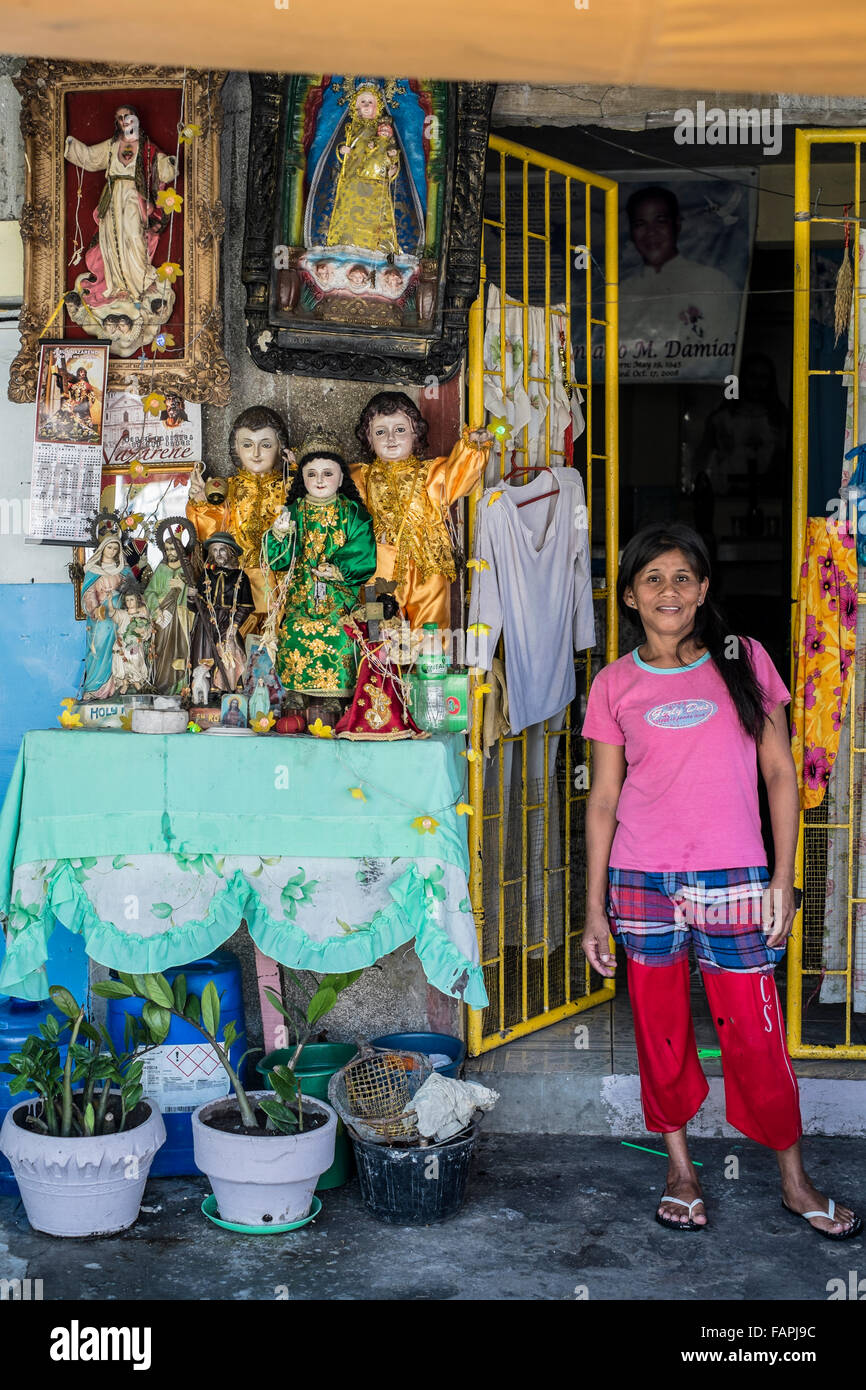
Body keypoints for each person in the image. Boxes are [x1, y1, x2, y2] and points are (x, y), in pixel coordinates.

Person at [581, 521, 862, 1239]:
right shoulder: (615, 683)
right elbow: (605, 799)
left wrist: (782, 878)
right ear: (631, 598)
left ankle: (795, 1181)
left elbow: (779, 773)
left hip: (734, 876)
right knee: (661, 1030)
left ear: (703, 589)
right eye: (653, 580)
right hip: (641, 879)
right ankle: (681, 1169)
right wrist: (593, 910)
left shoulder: (746, 660)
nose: (668, 591)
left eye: (682, 578)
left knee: (757, 1033)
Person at [350, 390, 493, 628]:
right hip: (379, 566)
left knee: (432, 630)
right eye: (380, 432)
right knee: (375, 627)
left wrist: (473, 448)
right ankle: (376, 663)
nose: (390, 438)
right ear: (369, 438)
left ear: (416, 433)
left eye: (400, 429)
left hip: (428, 566)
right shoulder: (360, 477)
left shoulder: (431, 473)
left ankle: (431, 662)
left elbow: (460, 476)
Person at [262, 430, 377, 722]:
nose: (320, 480)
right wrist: (279, 533)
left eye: (328, 473)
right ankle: (296, 693)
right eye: (312, 474)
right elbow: (277, 558)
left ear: (341, 478)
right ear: (302, 478)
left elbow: (363, 550)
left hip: (340, 601)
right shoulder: (294, 511)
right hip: (301, 599)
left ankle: (335, 698)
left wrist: (338, 567)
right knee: (292, 630)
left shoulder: (353, 514)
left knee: (339, 632)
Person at [186, 406, 294, 619]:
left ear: (280, 447)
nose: (255, 454)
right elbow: (209, 535)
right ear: (235, 447)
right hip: (235, 584)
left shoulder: (291, 486)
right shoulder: (226, 488)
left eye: (266, 445)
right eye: (247, 445)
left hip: (281, 584)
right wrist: (200, 503)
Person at [619, 185, 739, 347]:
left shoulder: (716, 283)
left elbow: (725, 349)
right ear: (631, 232)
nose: (651, 232)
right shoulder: (622, 291)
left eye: (660, 221)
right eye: (640, 224)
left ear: (677, 225)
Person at [188, 534, 254, 695]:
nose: (218, 554)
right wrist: (192, 597)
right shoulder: (205, 575)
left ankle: (226, 688)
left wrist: (234, 625)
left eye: (222, 550)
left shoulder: (240, 576)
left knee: (229, 653)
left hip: (228, 621)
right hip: (206, 622)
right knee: (205, 654)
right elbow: (196, 606)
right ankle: (207, 692)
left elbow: (246, 606)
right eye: (215, 550)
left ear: (230, 552)